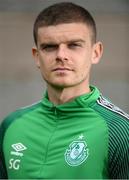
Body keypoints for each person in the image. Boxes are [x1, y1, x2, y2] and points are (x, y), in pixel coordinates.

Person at [0, 2, 129, 179]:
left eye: (74, 45)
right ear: (37, 56)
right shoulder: (11, 126)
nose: (61, 55)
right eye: (49, 47)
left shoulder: (120, 131)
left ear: (96, 52)